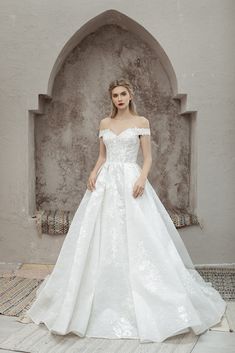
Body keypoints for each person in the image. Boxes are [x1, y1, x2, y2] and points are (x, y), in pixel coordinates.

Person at [24, 78, 226, 343]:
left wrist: (142, 178)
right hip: (106, 182)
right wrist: (93, 172)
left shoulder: (141, 122)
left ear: (130, 95)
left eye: (123, 94)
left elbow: (148, 157)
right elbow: (102, 156)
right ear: (112, 99)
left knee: (141, 236)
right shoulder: (104, 124)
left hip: (131, 180)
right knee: (98, 235)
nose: (119, 98)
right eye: (115, 95)